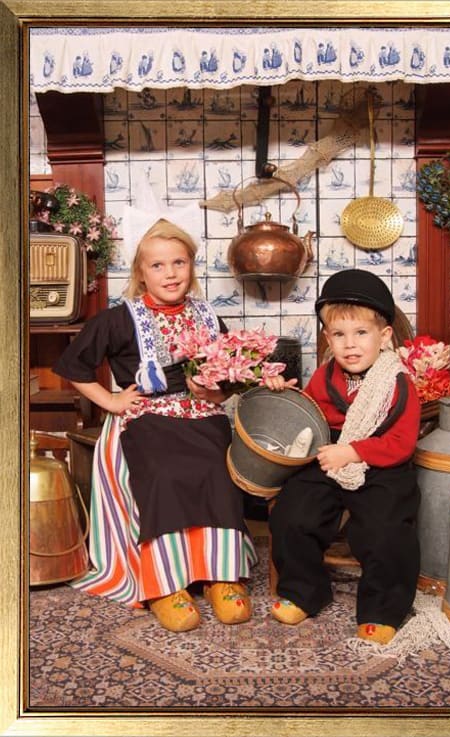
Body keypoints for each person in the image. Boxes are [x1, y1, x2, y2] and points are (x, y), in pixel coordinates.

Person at [53, 218, 258, 633]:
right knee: (166, 472)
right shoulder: (119, 319)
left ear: (191, 267)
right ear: (141, 273)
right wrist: (111, 400)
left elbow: (228, 373)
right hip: (145, 417)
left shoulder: (206, 314)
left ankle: (221, 575)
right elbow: (72, 365)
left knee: (220, 469)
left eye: (178, 263)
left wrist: (218, 395)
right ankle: (165, 582)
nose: (170, 274)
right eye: (158, 266)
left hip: (201, 416)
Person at [265, 269, 421, 645]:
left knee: (385, 529)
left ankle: (381, 609)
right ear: (327, 338)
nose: (350, 345)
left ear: (384, 337)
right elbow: (311, 413)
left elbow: (401, 442)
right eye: (339, 334)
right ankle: (305, 590)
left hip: (381, 458)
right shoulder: (325, 376)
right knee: (293, 513)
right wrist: (283, 392)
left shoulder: (398, 383)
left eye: (361, 333)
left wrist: (354, 451)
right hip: (331, 451)